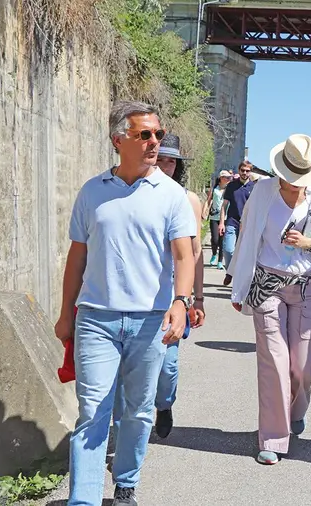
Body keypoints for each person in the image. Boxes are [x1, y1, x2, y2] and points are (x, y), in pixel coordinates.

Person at [55, 101, 196, 506]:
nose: (156, 142)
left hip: (150, 322)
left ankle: (126, 483)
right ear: (119, 140)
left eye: (158, 135)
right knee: (92, 412)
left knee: (137, 412)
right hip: (96, 319)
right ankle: (83, 499)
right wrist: (67, 312)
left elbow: (184, 256)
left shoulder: (171, 195)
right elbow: (76, 257)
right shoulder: (92, 191)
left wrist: (181, 302)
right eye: (145, 135)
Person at [227, 134, 311, 466]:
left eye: (299, 181)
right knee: (274, 363)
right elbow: (248, 235)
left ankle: (296, 409)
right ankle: (273, 438)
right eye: (289, 180)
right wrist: (239, 285)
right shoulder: (262, 192)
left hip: (307, 286)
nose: (294, 186)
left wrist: (310, 243)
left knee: (302, 367)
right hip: (267, 284)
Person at [113, 133, 207, 440]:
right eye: (161, 159)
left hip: (173, 297)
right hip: (138, 297)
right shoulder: (133, 193)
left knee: (167, 368)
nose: (165, 165)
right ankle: (124, 436)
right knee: (129, 373)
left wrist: (197, 297)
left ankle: (164, 405)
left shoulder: (187, 199)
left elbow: (194, 254)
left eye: (171, 161)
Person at [219, 160, 255, 285]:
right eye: (242, 170)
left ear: (250, 172)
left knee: (245, 254)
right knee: (228, 250)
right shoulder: (231, 186)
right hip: (232, 222)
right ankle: (230, 271)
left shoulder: (255, 188)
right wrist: (221, 223)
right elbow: (224, 206)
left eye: (247, 171)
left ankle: (239, 277)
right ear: (239, 171)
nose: (245, 173)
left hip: (247, 225)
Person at [202, 170, 232, 267]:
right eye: (226, 177)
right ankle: (214, 254)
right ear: (221, 178)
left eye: (229, 178)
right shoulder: (214, 189)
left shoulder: (230, 189)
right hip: (214, 217)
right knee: (215, 239)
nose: (228, 179)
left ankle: (220, 261)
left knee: (222, 240)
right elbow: (208, 201)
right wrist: (204, 211)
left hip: (226, 217)